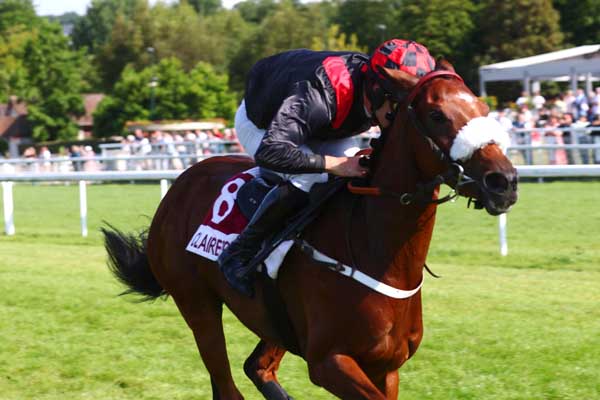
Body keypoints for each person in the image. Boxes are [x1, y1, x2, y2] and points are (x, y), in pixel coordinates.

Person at [217, 39, 437, 296]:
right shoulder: (318, 93)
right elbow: (271, 151)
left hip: (322, 122)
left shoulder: (371, 90)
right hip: (263, 124)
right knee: (309, 178)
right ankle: (238, 254)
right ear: (377, 90)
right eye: (398, 105)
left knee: (362, 168)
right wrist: (334, 165)